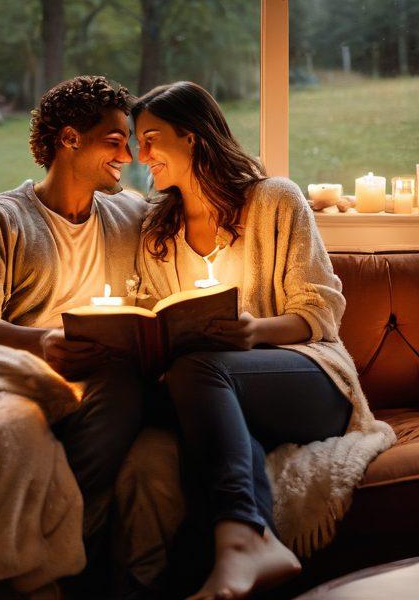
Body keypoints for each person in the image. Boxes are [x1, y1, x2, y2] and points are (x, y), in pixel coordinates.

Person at [131, 81, 373, 600]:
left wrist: (254, 331)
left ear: (192, 138)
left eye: (151, 138)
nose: (141, 153)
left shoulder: (275, 200)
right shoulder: (158, 232)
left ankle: (246, 543)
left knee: (200, 370)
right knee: (192, 397)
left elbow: (321, 309)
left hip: (309, 375)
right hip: (212, 389)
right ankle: (222, 567)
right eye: (136, 140)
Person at [0, 75, 148, 588]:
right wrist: (43, 344)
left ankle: (47, 557)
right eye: (114, 140)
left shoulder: (131, 214)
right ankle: (54, 566)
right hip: (23, 376)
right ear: (69, 139)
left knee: (135, 391)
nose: (127, 155)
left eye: (129, 141)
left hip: (103, 381)